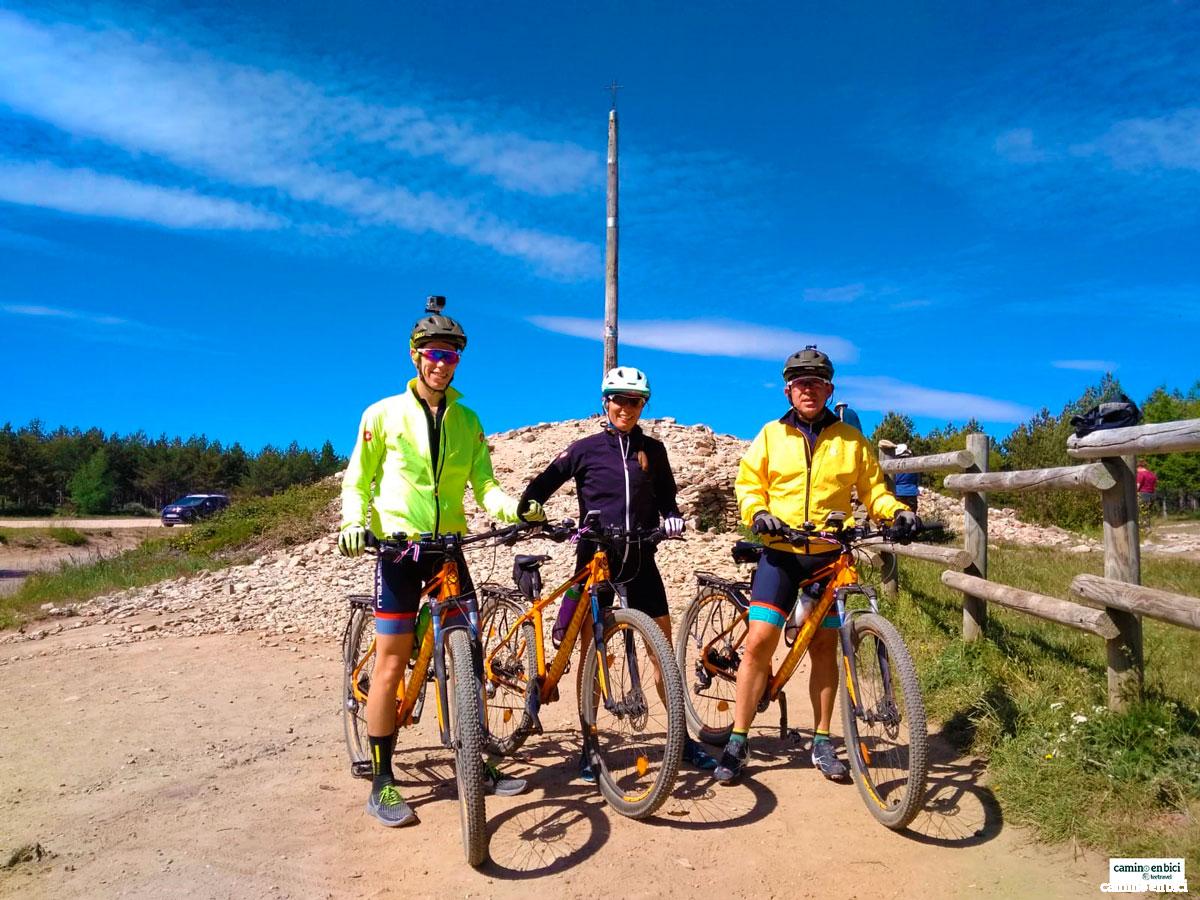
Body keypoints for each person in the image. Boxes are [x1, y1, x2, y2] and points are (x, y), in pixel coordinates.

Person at [337, 298, 539, 827]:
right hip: (398, 551)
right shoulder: (380, 415)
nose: (441, 363)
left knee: (468, 658)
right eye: (432, 353)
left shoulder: (469, 419)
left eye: (450, 355)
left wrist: (516, 508)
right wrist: (354, 522)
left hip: (449, 550)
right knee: (390, 662)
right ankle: (383, 778)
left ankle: (475, 761)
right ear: (414, 355)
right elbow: (358, 480)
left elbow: (486, 486)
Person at [714, 346, 918, 784]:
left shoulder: (851, 441)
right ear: (788, 390)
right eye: (800, 383)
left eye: (817, 382)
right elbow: (749, 484)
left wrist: (894, 512)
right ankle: (738, 737)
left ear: (829, 389)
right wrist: (758, 513)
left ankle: (823, 739)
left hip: (829, 557)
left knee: (825, 647)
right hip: (781, 555)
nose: (808, 389)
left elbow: (874, 492)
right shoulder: (770, 435)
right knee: (759, 642)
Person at [519, 366, 718, 780]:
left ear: (643, 405)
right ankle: (590, 745)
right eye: (619, 399)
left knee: (661, 652)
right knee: (595, 655)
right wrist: (532, 512)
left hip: (642, 558)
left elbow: (668, 500)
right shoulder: (585, 449)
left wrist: (673, 518)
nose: (626, 408)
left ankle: (680, 740)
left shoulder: (654, 450)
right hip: (596, 560)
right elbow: (541, 485)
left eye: (635, 401)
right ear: (605, 401)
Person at [891, 443, 920, 512]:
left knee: (898, 517)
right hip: (911, 494)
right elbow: (917, 480)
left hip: (898, 493)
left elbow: (892, 481)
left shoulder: (893, 464)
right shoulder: (913, 464)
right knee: (912, 517)